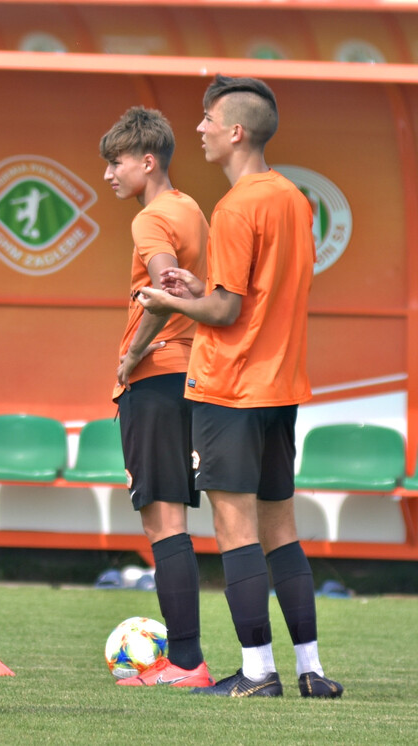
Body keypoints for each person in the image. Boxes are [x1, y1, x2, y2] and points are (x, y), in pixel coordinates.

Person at [138, 74, 343, 698]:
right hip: (281, 387)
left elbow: (228, 314)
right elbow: (247, 298)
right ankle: (310, 669)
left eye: (206, 119)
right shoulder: (291, 199)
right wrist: (195, 290)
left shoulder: (235, 206)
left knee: (237, 531)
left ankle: (257, 672)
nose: (197, 128)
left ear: (235, 131)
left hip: (229, 386)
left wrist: (161, 299)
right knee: (282, 528)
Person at [99, 106, 213, 688]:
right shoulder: (191, 207)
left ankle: (187, 663)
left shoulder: (151, 220)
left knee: (163, 522)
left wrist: (132, 354)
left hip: (158, 379)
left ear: (147, 161)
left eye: (116, 162)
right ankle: (192, 658)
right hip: (196, 377)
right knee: (182, 518)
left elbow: (162, 288)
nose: (109, 175)